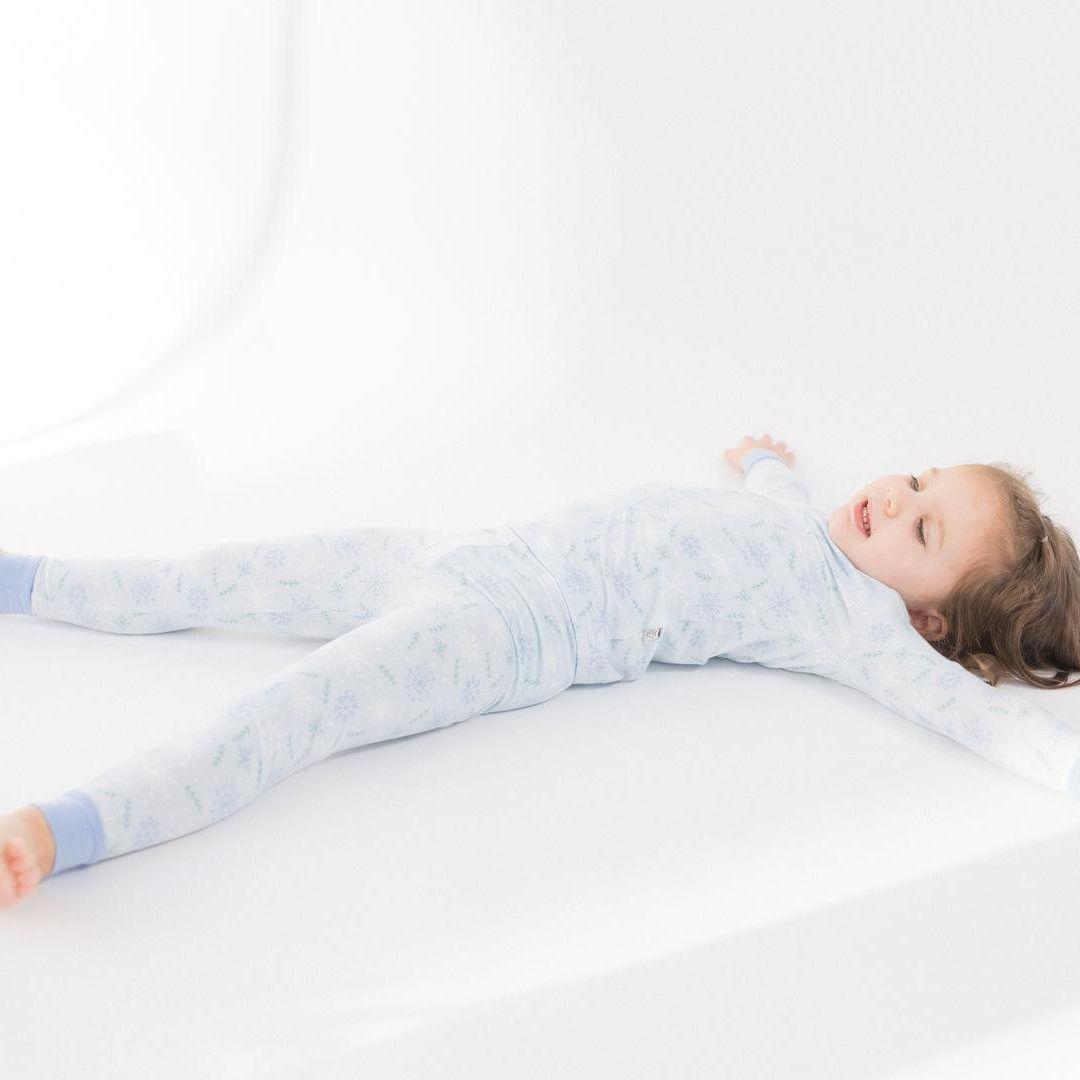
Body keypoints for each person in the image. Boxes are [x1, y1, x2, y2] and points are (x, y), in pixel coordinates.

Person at [3, 434, 1079, 910]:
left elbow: (984, 721)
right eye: (919, 478)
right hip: (459, 552)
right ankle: (30, 579)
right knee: (216, 577)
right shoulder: (809, 521)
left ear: (927, 619)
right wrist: (766, 461)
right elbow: (776, 493)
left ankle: (64, 829)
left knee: (291, 714)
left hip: (502, 630)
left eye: (924, 527)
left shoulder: (857, 622)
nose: (894, 498)